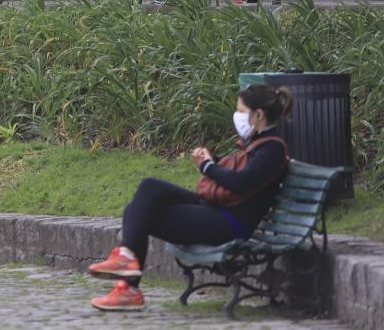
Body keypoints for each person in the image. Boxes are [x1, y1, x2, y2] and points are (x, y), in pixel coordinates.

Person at [87, 83, 292, 311]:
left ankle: (128, 288)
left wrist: (207, 166)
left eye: (241, 111)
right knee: (150, 188)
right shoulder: (259, 142)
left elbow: (241, 183)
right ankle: (126, 263)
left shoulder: (272, 150)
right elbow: (241, 177)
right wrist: (213, 161)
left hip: (230, 223)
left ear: (259, 115)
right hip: (219, 209)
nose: (237, 116)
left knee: (139, 214)